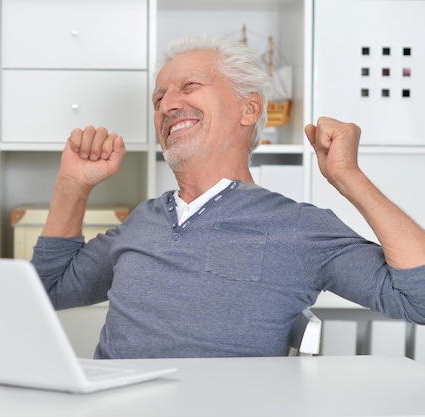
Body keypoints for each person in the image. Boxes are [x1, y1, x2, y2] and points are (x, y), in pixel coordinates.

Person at [30, 34, 425, 359]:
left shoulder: (300, 228)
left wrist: (349, 177)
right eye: (158, 98)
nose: (167, 105)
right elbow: (50, 289)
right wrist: (73, 184)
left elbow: (419, 299)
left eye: (190, 86)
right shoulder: (143, 221)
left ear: (249, 109)